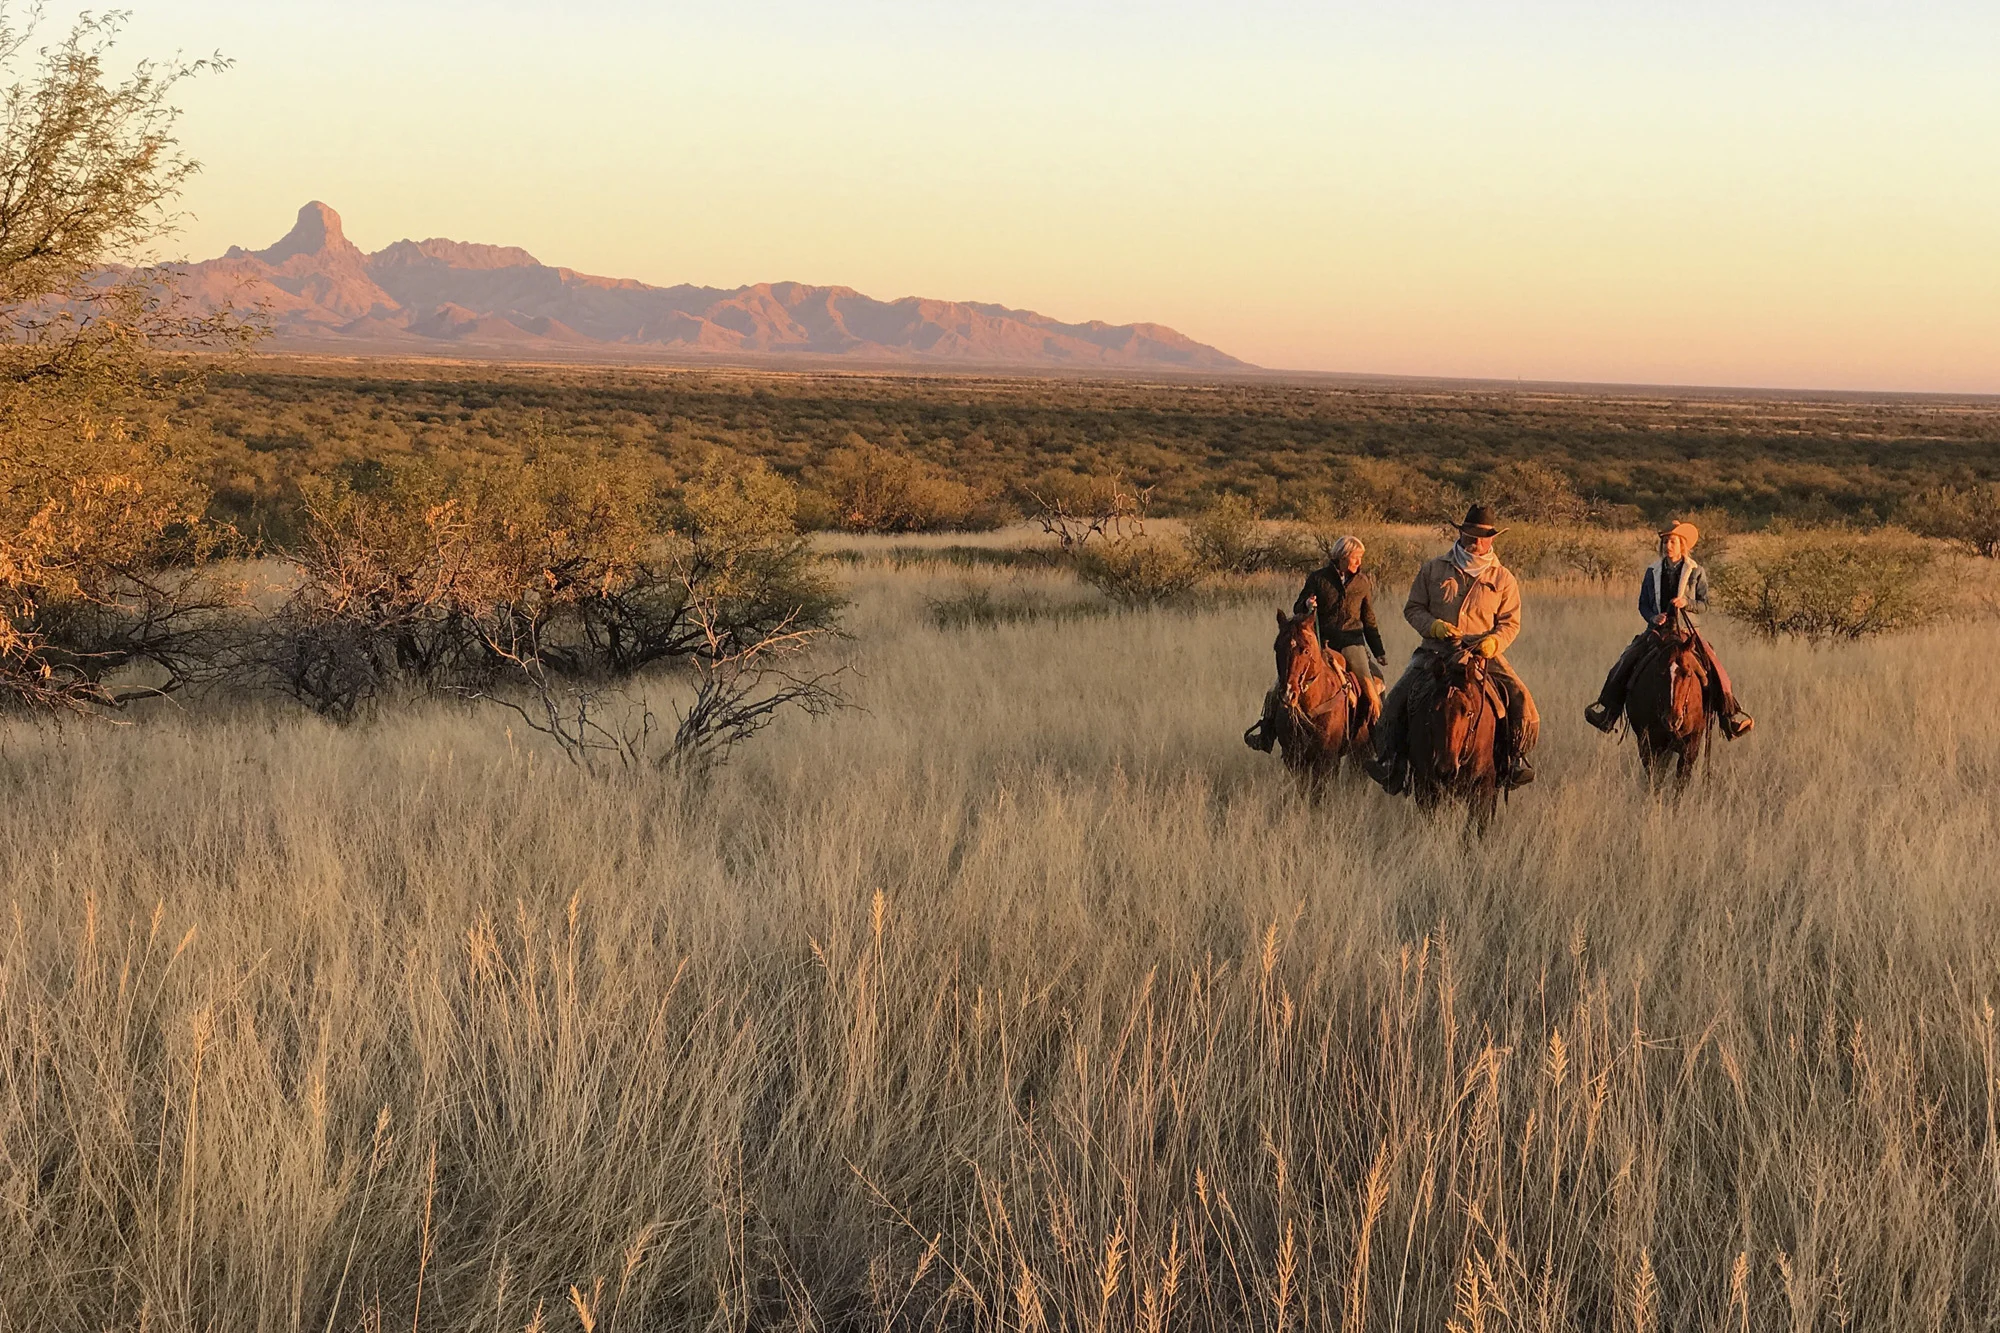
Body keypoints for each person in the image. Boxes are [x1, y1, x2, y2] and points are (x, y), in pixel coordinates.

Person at [1364, 504, 1540, 791]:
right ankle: (1391, 762)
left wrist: (1494, 641)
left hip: (1482, 654)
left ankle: (1513, 761)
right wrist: (1432, 626)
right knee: (1396, 700)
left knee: (1521, 701)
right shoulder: (1433, 568)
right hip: (1435, 651)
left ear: (1492, 539)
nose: (1476, 541)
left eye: (1483, 536)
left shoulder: (1503, 578)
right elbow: (1414, 608)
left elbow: (1510, 622)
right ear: (1461, 533)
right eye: (1471, 534)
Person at [1584, 521, 1753, 738]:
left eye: (1672, 541)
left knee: (1714, 665)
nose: (1668, 545)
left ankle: (1728, 717)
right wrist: (1653, 617)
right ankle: (1609, 712)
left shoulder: (1696, 571)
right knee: (1627, 659)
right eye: (1665, 541)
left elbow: (1704, 604)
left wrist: (1686, 603)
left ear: (1683, 545)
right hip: (1658, 632)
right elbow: (1643, 604)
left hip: (1687, 632)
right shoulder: (1652, 571)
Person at [1245, 535, 1387, 752]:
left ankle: (1380, 741)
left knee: (1370, 687)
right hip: (1319, 642)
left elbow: (1368, 618)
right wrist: (1307, 603)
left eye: (1360, 558)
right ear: (1342, 557)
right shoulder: (1318, 578)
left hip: (1351, 642)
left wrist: (1378, 651)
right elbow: (1297, 608)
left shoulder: (1363, 583)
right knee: (1278, 687)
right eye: (1356, 558)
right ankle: (1267, 734)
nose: (1359, 562)